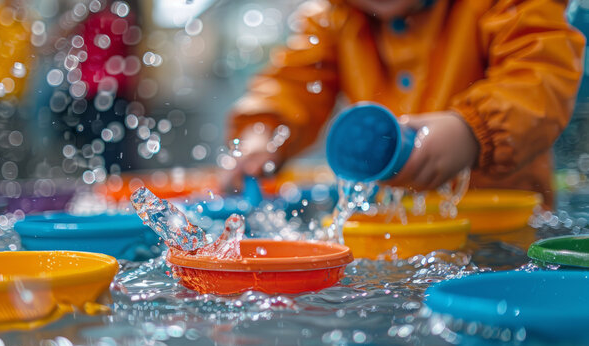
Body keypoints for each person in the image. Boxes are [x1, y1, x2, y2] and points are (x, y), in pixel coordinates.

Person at [226, 0, 585, 208]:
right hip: (396, 221)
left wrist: (474, 130)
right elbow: (294, 82)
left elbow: (540, 76)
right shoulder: (335, 16)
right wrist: (263, 134)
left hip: (504, 218)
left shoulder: (505, 5)